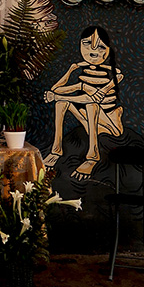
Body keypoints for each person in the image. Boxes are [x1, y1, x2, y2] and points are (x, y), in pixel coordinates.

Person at [44, 25, 123, 180]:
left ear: (108, 50)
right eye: (87, 44)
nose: (93, 51)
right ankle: (56, 150)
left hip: (110, 125)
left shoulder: (113, 73)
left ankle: (92, 156)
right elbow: (55, 89)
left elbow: (92, 99)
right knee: (61, 104)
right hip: (89, 121)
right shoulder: (78, 68)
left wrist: (58, 96)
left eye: (101, 46)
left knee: (91, 105)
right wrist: (78, 83)